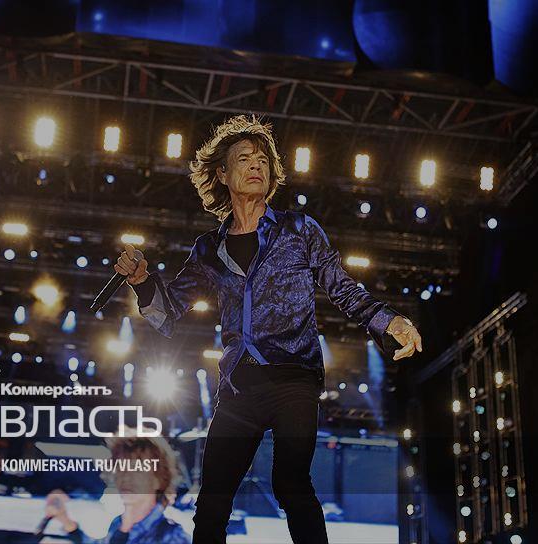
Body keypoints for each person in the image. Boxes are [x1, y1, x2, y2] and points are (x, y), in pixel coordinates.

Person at [115, 115, 423, 543]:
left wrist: (390, 320)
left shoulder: (299, 230)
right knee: (212, 501)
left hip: (294, 377)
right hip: (238, 386)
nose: (256, 164)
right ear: (223, 174)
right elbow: (168, 314)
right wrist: (141, 281)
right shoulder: (209, 249)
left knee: (290, 482)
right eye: (244, 158)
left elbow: (341, 287)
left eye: (262, 159)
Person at [42, 433, 190, 544]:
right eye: (121, 468)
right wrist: (65, 520)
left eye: (138, 468)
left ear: (159, 479)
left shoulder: (172, 537)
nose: (126, 476)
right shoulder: (118, 525)